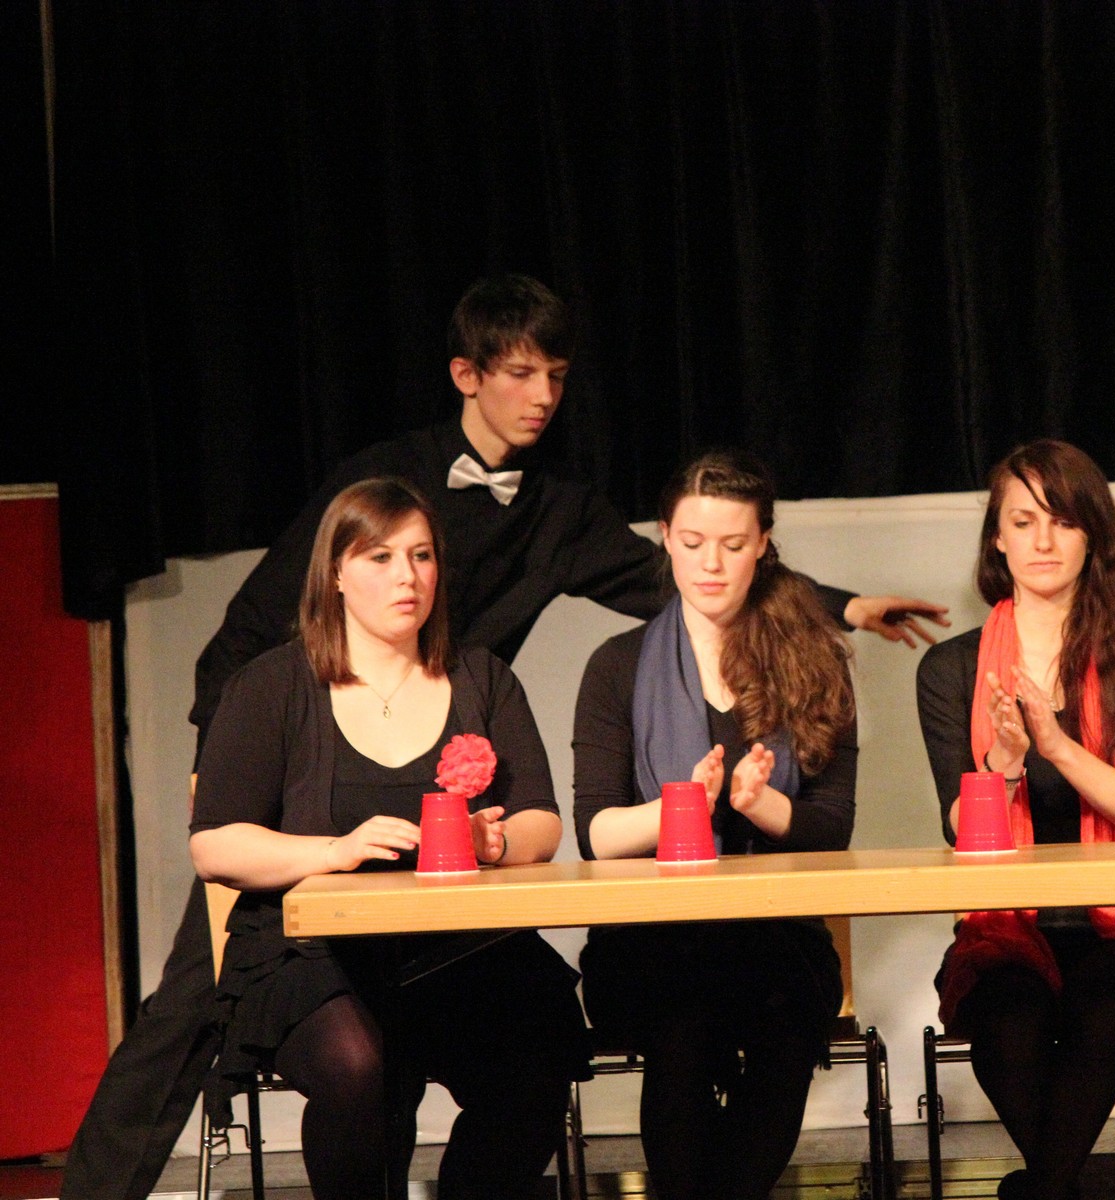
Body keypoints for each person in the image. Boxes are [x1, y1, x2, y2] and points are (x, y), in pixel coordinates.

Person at [61, 274, 946, 1200]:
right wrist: (230, 763)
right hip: (314, 770)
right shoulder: (384, 480)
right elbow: (254, 623)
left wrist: (843, 606)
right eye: (522, 374)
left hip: (446, 777)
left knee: (493, 1030)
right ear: (467, 375)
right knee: (195, 1002)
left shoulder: (558, 510)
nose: (543, 396)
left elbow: (689, 575)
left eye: (557, 376)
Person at [187, 477, 586, 1199]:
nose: (408, 576)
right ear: (336, 573)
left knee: (537, 1052)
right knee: (358, 1065)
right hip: (312, 955)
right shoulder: (273, 685)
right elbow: (214, 844)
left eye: (422, 556)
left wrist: (493, 845)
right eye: (381, 557)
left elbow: (541, 820)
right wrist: (332, 851)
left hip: (457, 946)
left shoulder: (481, 678)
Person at [915, 439, 1115, 1200]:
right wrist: (1004, 761)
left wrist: (1058, 746)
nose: (1043, 541)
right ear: (997, 538)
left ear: (1094, 535)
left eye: (1063, 521)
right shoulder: (952, 668)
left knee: (1101, 1012)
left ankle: (1041, 1190)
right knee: (1010, 1022)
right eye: (1022, 521)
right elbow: (961, 828)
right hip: (1003, 924)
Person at [571, 450, 858, 1200]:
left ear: (763, 544)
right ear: (665, 538)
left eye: (733, 545)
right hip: (649, 940)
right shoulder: (616, 666)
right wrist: (683, 807)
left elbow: (832, 830)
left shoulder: (815, 661)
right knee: (684, 1023)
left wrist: (762, 805)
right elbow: (595, 834)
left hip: (776, 936)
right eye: (693, 542)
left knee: (784, 1026)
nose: (711, 564)